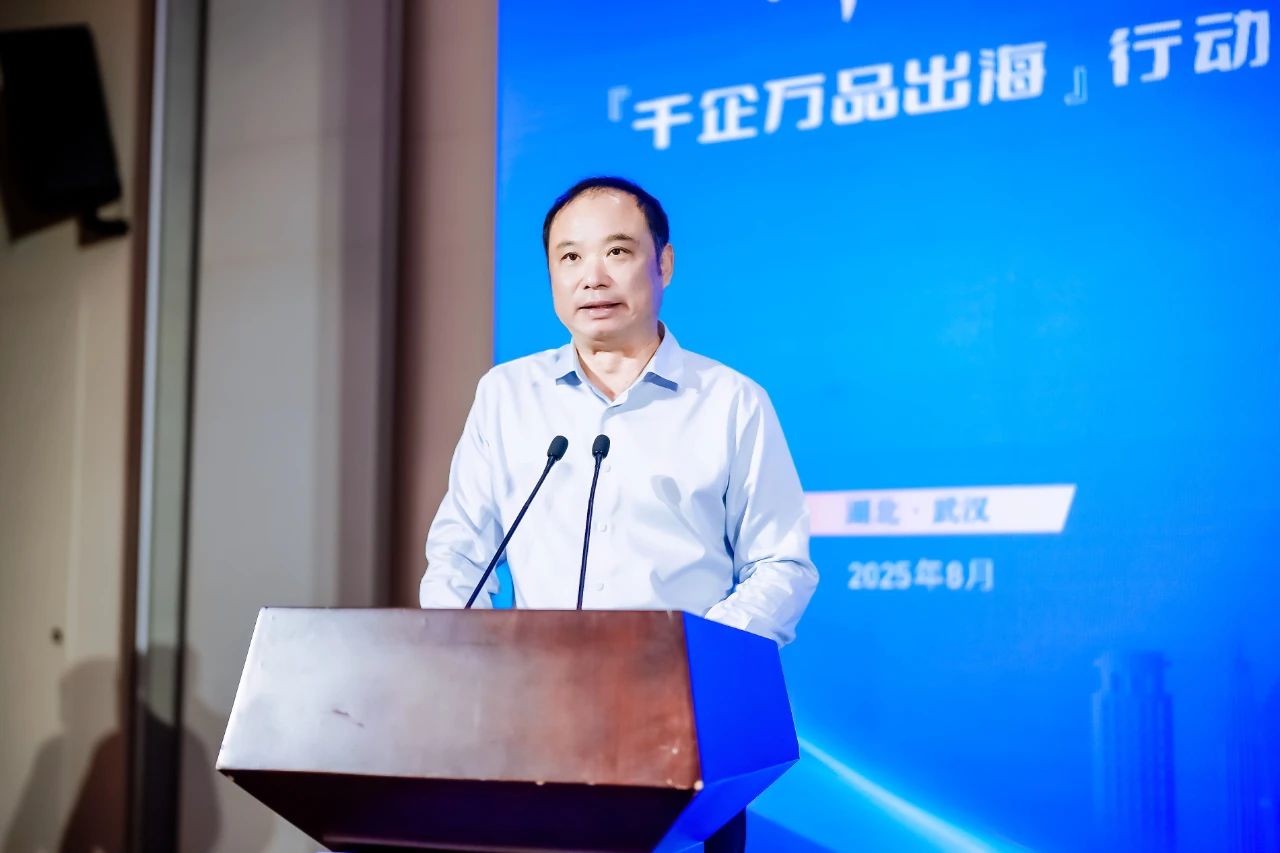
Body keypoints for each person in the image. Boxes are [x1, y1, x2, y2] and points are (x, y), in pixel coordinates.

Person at [421, 176, 818, 852]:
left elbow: (782, 565)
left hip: (686, 739)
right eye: (570, 257)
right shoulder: (506, 395)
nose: (592, 277)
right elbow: (460, 551)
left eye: (617, 251)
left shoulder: (731, 402)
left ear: (664, 263)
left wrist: (693, 664)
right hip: (533, 729)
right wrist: (465, 662)